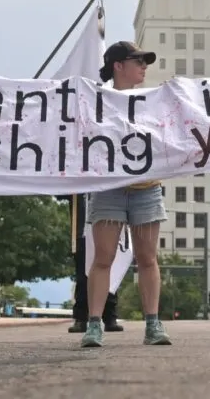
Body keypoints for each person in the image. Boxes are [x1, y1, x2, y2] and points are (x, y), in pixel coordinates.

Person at [81, 41, 170, 347]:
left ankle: (153, 324)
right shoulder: (96, 100)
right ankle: (94, 325)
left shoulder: (156, 99)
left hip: (147, 188)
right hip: (109, 189)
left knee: (147, 258)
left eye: (145, 62)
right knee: (102, 258)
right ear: (118, 66)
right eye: (138, 61)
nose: (144, 66)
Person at [67, 193, 122, 334]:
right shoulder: (77, 184)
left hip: (105, 223)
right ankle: (81, 317)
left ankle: (109, 316)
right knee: (82, 274)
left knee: (109, 270)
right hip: (82, 231)